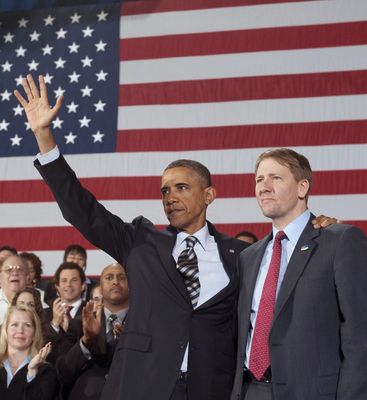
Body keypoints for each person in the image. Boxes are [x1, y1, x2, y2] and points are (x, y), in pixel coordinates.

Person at [15, 75, 336, 400]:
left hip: (209, 388)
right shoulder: (138, 241)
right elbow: (81, 209)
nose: (170, 196)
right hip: (139, 386)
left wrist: (313, 226)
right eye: (164, 190)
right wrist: (43, 135)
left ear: (209, 194)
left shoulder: (244, 255)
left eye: (182, 187)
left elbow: (281, 290)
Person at [230, 148, 367, 400]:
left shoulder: (340, 241)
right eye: (259, 179)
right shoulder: (248, 257)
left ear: (302, 188)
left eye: (275, 178)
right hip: (251, 390)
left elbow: (364, 340)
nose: (264, 187)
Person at [56, 262, 129, 399]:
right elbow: (63, 372)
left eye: (122, 277)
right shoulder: (79, 324)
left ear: (132, 285)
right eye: (109, 277)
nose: (115, 281)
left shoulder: (144, 325)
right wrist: (86, 340)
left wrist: (130, 343)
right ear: (100, 288)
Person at [0, 305, 59, 399]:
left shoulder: (45, 371)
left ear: (35, 334)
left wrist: (32, 372)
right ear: (6, 330)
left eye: (27, 325)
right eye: (14, 324)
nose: (20, 330)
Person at [0, 255, 28, 325]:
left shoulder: (38, 303)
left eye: (20, 269)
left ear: (27, 278)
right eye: (8, 270)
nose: (15, 273)